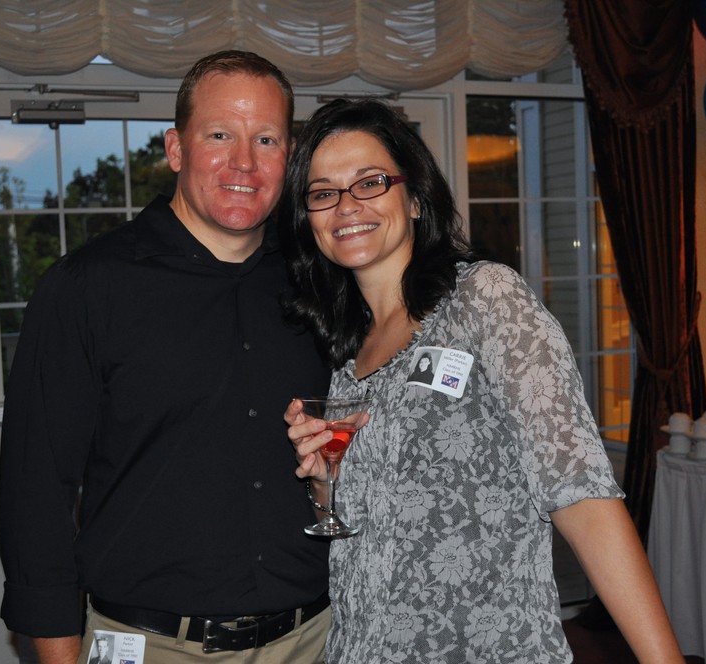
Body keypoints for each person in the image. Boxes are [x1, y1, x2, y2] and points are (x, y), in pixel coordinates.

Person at [279, 99, 684, 663]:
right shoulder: (347, 354)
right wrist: (326, 481)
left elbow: (581, 493)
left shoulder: (484, 299)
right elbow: (372, 528)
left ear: (415, 198)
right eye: (323, 193)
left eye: (370, 182)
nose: (347, 205)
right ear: (310, 219)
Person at [0, 50, 332, 664]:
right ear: (176, 149)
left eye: (266, 140)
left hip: (315, 639)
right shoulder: (87, 288)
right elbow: (34, 495)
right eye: (220, 135)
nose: (244, 162)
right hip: (149, 646)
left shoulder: (320, 284)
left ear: (289, 157)